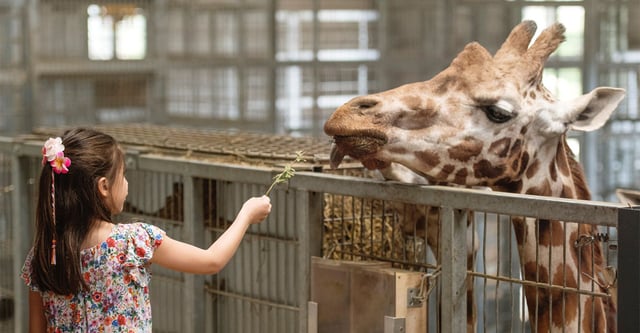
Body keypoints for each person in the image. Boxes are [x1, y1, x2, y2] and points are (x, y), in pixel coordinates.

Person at [21, 127, 272, 332]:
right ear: (104, 186)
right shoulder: (132, 242)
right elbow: (211, 261)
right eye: (123, 174)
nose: (127, 183)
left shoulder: (43, 255)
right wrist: (246, 214)